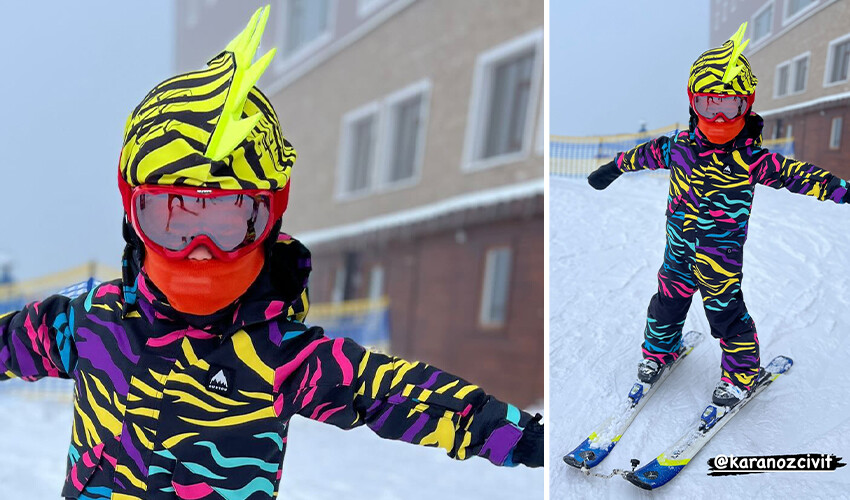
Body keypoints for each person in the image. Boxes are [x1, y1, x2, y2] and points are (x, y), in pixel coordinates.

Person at [0, 7, 543, 499]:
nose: (200, 251)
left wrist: (514, 432)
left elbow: (395, 392)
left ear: (270, 218)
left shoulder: (284, 356)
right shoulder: (92, 322)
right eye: (171, 217)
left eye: (230, 218)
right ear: (133, 216)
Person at [587, 22, 850, 407]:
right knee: (667, 303)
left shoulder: (753, 158)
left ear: (748, 103)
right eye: (711, 103)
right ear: (694, 102)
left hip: (720, 260)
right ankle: (659, 352)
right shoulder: (678, 146)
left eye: (731, 105)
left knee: (727, 315)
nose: (721, 116)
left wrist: (840, 189)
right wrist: (612, 168)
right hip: (677, 252)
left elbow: (800, 175)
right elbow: (640, 154)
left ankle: (742, 376)